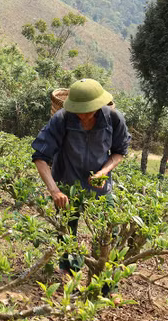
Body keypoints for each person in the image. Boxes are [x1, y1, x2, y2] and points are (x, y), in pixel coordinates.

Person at [31, 78, 130, 274]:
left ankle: (104, 281)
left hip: (100, 188)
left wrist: (103, 172)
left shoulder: (114, 118)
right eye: (79, 112)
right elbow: (40, 158)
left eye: (89, 112)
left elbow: (119, 152)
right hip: (67, 184)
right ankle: (68, 271)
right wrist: (55, 190)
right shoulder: (61, 119)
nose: (84, 117)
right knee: (67, 231)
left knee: (108, 232)